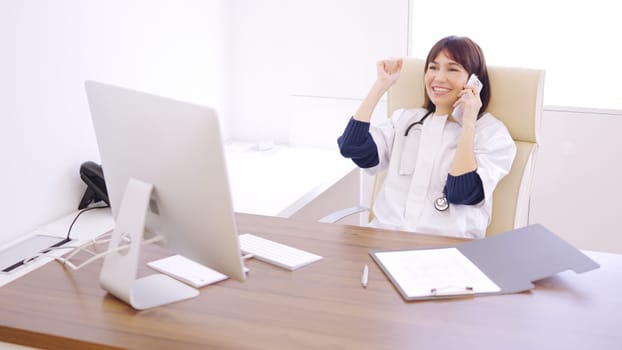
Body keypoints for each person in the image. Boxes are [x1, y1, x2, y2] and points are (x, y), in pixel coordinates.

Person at [337, 36, 516, 239]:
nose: (439, 78)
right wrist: (381, 85)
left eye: (453, 69)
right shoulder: (405, 119)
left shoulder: (491, 133)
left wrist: (468, 123)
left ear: (474, 81)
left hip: (447, 251)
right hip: (383, 239)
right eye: (433, 67)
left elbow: (461, 192)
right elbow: (352, 147)